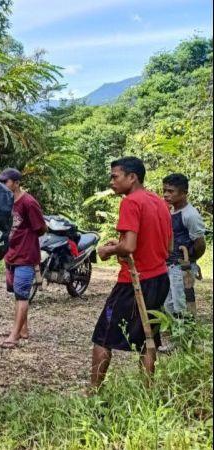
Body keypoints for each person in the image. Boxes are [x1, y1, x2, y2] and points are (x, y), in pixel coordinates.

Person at [91, 157, 171, 391]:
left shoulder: (130, 202)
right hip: (159, 279)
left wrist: (109, 250)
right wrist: (123, 243)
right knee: (149, 338)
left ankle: (93, 391)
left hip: (135, 280)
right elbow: (167, 246)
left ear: (132, 177)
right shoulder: (159, 201)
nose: (111, 181)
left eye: (115, 176)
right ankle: (147, 391)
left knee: (102, 336)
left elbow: (129, 248)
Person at [0, 168, 46, 349]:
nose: (2, 185)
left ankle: (14, 336)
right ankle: (24, 329)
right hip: (11, 254)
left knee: (21, 295)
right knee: (15, 292)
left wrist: (26, 238)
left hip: (25, 255)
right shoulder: (5, 201)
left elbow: (41, 228)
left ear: (16, 183)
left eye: (5, 182)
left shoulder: (28, 202)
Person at [162, 173, 206, 321]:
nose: (166, 195)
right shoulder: (170, 210)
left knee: (181, 303)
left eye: (171, 191)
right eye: (165, 191)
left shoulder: (190, 215)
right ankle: (177, 336)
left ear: (184, 193)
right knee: (168, 304)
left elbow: (200, 243)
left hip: (181, 266)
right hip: (169, 264)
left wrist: (190, 262)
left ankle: (185, 337)